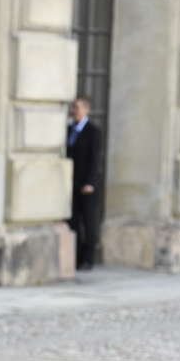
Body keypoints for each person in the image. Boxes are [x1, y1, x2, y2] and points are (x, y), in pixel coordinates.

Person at [66, 95, 103, 270]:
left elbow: (95, 160)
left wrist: (90, 182)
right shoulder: (69, 129)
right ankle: (77, 257)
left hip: (87, 184)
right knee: (73, 221)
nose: (75, 111)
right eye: (74, 107)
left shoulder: (93, 131)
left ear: (86, 110)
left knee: (88, 222)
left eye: (78, 107)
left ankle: (89, 259)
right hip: (71, 183)